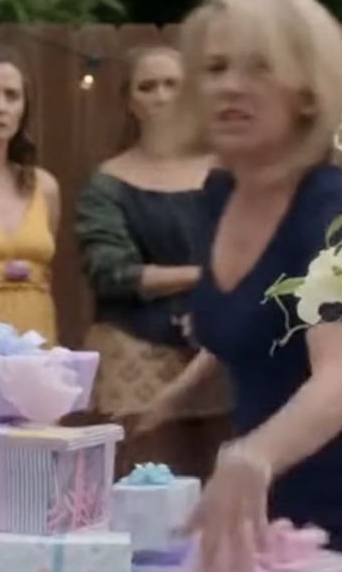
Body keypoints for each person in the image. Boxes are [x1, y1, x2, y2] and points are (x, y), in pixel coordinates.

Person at [145, 0, 342, 571]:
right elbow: (258, 323)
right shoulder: (220, 193)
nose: (230, 86)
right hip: (267, 515)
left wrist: (251, 456)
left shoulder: (340, 206)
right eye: (215, 68)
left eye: (259, 67)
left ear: (309, 92)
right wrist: (176, 393)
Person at [75, 45, 231, 479]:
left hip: (219, 353)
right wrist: (204, 275)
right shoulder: (108, 184)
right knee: (142, 485)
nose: (161, 96)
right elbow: (111, 272)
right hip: (135, 349)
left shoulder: (227, 173)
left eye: (172, 85)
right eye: (147, 87)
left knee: (224, 484)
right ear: (130, 101)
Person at [0, 44, 60, 344]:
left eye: (11, 96)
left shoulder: (44, 187)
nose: (0, 107)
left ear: (24, 108)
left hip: (36, 338)